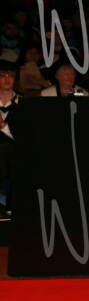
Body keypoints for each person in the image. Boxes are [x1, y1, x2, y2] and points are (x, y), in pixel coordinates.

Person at [0, 60, 20, 218]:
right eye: (2, 76)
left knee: (7, 148)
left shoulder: (23, 103)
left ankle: (7, 200)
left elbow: (24, 135)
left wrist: (3, 125)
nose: (7, 79)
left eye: (11, 76)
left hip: (15, 151)